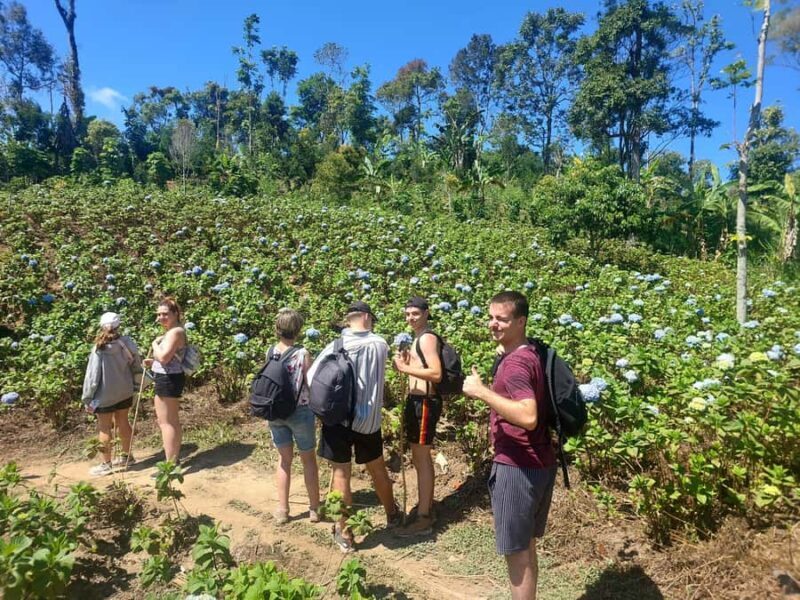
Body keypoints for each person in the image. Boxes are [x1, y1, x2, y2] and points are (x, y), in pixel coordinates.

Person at [462, 291, 557, 600]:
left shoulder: (515, 364)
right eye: (491, 317)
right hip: (539, 462)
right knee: (525, 548)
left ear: (521, 321)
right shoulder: (532, 353)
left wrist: (481, 392)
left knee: (517, 554)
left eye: (502, 319)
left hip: (518, 467)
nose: (493, 324)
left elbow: (528, 416)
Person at [308, 301, 401, 553]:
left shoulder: (334, 346)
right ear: (367, 317)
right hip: (368, 419)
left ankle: (345, 533)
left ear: (349, 319)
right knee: (377, 468)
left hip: (337, 419)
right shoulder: (380, 345)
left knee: (341, 474)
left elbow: (311, 377)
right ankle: (392, 515)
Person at [393, 296, 442, 537]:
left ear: (426, 313)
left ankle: (424, 516)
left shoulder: (427, 338)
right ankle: (424, 508)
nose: (410, 318)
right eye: (407, 314)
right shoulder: (417, 339)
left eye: (415, 313)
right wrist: (408, 363)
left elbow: (435, 373)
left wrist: (405, 368)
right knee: (418, 457)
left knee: (421, 458)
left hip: (425, 402)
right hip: (416, 401)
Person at [266, 308, 321, 525]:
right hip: (300, 411)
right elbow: (310, 384)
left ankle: (282, 509)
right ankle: (315, 508)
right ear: (298, 330)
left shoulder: (271, 351)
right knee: (308, 459)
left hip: (276, 412)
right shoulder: (302, 354)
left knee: (283, 460)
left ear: (277, 329)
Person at [81, 312, 142, 476]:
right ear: (119, 326)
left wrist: (88, 397)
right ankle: (127, 456)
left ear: (101, 326)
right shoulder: (126, 342)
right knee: (123, 421)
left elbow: (92, 377)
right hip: (125, 390)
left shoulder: (99, 348)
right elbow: (137, 363)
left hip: (104, 395)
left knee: (104, 427)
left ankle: (106, 464)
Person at [143, 297, 186, 465]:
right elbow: (167, 360)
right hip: (169, 377)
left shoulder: (175, 332)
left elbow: (164, 357)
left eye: (165, 314)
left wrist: (154, 344)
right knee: (170, 421)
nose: (161, 317)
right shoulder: (172, 332)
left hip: (168, 379)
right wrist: (153, 363)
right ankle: (173, 460)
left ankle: (170, 464)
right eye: (159, 314)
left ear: (175, 314)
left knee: (166, 422)